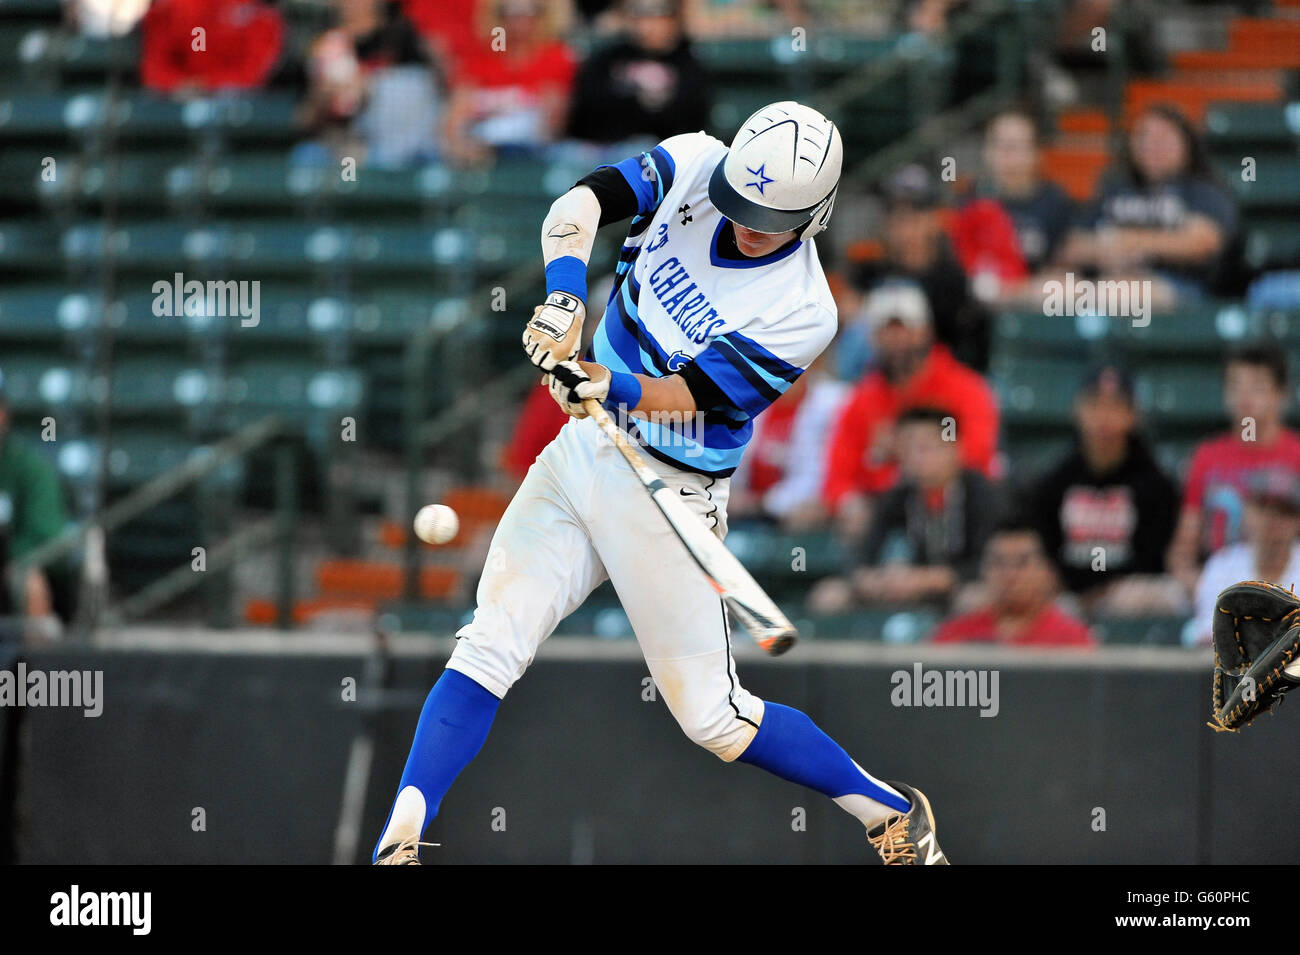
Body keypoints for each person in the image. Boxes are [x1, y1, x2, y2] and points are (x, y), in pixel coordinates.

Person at [372, 102, 948, 866]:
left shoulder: (805, 309)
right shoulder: (697, 164)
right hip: (585, 455)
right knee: (489, 643)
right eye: (743, 205)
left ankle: (889, 812)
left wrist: (605, 383)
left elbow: (695, 393)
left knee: (715, 718)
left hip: (671, 494)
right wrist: (566, 296)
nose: (746, 223)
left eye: (769, 217)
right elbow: (579, 203)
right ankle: (400, 838)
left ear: (815, 215)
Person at [823, 280, 999, 541]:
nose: (897, 340)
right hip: (880, 519)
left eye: (905, 329)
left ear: (926, 331)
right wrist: (849, 504)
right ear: (873, 337)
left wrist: (903, 456)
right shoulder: (862, 398)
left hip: (951, 513)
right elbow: (837, 478)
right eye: (887, 331)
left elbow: (976, 460)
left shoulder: (966, 389)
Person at [809, 406, 1001, 614]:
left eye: (926, 448)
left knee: (975, 599)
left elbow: (989, 562)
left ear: (955, 448)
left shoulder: (982, 495)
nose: (916, 458)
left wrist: (931, 578)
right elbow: (862, 556)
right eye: (907, 448)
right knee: (829, 594)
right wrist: (870, 578)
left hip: (955, 590)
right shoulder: (896, 496)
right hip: (900, 587)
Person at [1029, 366, 1183, 616]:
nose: (1104, 416)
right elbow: (1045, 547)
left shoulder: (1156, 483)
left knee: (1156, 596)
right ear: (1077, 410)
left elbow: (1155, 554)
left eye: (1115, 407)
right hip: (1067, 593)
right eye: (1094, 405)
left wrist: (1105, 589)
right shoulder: (1054, 481)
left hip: (1130, 590)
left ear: (1133, 415)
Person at [1059, 104, 1238, 306]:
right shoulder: (1116, 187)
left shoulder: (1202, 187)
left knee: (1112, 294)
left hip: (1179, 287)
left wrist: (1128, 242)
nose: (1151, 145)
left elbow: (1202, 242)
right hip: (1107, 281)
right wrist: (1106, 253)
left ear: (1185, 143)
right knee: (1047, 292)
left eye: (1162, 138)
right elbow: (1071, 247)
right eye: (1143, 137)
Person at [1167, 345, 1300, 596]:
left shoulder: (1296, 455)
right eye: (1235, 386)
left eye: (1257, 387)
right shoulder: (1207, 457)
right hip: (1216, 583)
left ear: (1281, 395)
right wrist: (1204, 587)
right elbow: (1183, 551)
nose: (1245, 397)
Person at [853, 164, 992, 371]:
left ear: (933, 220)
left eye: (913, 215)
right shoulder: (870, 273)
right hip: (880, 381)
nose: (904, 227)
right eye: (896, 216)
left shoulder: (953, 280)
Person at [296, 0, 441, 169]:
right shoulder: (322, 45)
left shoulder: (403, 38)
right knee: (310, 158)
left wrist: (370, 86)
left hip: (391, 148)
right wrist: (322, 97)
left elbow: (421, 99)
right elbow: (302, 120)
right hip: (336, 147)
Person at [442, 0, 578, 166]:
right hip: (479, 151)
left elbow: (553, 123)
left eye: (528, 13)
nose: (518, 22)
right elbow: (454, 118)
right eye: (509, 13)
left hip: (532, 153)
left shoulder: (556, 57)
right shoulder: (480, 60)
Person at [565, 0, 711, 147]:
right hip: (598, 147)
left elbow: (687, 117)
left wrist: (628, 101)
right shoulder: (610, 56)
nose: (648, 25)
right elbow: (586, 106)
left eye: (658, 16)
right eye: (641, 16)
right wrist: (640, 100)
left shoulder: (687, 62)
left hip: (655, 151)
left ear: (673, 21)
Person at [930, 521, 1097, 647]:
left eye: (1022, 563)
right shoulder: (955, 635)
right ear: (983, 571)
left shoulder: (1073, 640)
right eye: (998, 562)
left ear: (1047, 571)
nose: (1009, 575)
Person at [1190, 470, 1300, 646]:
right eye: (1262, 508)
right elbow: (1208, 639)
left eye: (1282, 512)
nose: (1270, 520)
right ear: (1247, 512)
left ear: (1297, 520)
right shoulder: (1222, 566)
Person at [969, 109, 1074, 280]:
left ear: (1037, 153)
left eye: (1017, 147)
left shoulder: (1055, 202)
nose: (1008, 156)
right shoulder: (970, 201)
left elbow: (1066, 264)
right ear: (986, 152)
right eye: (1000, 145)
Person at [0, 375, 67, 623]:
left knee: (31, 583)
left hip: (11, 572)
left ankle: (34, 661)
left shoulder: (30, 469)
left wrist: (13, 557)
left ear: (4, 413)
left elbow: (48, 537)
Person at [140, 0, 284, 95]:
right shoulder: (178, 7)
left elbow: (252, 72)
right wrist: (179, 83)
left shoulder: (259, 13)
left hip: (238, 102)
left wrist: (208, 84)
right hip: (176, 100)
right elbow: (155, 66)